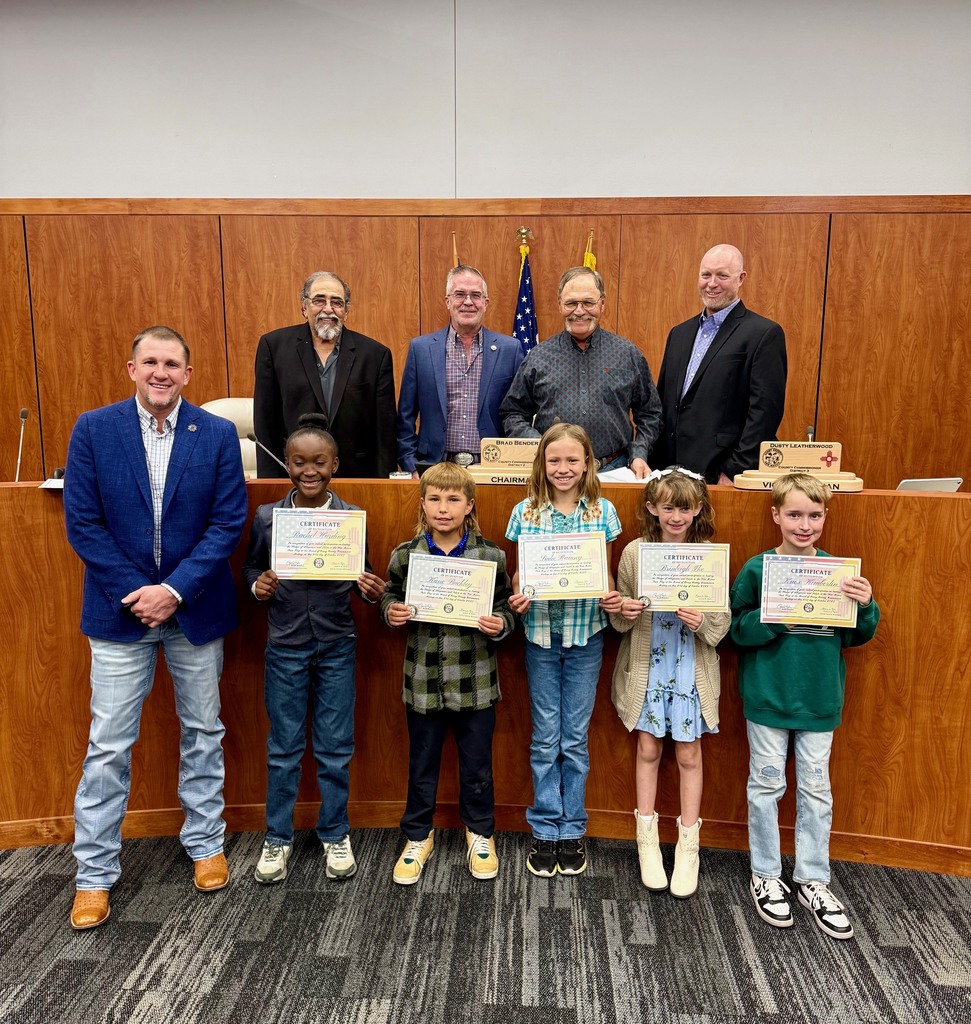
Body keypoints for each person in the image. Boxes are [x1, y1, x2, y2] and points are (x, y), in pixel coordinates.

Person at [63, 325, 249, 931]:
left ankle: (206, 845)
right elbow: (83, 524)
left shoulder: (218, 434)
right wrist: (139, 594)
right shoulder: (94, 429)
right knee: (108, 746)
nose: (161, 372)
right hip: (120, 613)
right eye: (151, 362)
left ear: (188, 374)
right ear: (132, 368)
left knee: (203, 730)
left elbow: (227, 524)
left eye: (172, 363)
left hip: (194, 610)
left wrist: (173, 591)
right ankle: (93, 876)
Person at [730, 472, 879, 940]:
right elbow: (737, 632)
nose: (804, 524)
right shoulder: (757, 569)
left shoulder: (840, 570)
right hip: (769, 698)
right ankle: (766, 874)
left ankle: (813, 878)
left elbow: (858, 636)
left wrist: (867, 603)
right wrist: (772, 615)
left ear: (825, 518)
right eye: (794, 514)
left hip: (818, 701)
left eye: (814, 515)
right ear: (776, 515)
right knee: (766, 786)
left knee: (817, 792)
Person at [242, 413, 386, 885]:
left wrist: (370, 589)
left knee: (335, 746)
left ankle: (334, 833)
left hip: (336, 645)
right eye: (299, 462)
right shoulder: (267, 518)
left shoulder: (350, 519)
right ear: (286, 466)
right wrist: (257, 586)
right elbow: (250, 571)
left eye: (319, 462)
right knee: (283, 747)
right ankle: (277, 838)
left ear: (335, 464)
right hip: (284, 645)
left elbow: (362, 579)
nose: (309, 470)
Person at [381, 463, 515, 885]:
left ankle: (479, 833)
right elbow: (388, 593)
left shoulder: (490, 555)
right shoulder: (406, 554)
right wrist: (391, 611)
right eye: (435, 499)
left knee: (477, 765)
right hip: (423, 680)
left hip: (474, 680)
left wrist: (502, 623)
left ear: (469, 505)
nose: (444, 508)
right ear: (422, 503)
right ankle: (418, 836)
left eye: (454, 499)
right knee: (421, 763)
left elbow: (506, 605)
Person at [505, 423, 623, 877]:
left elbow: (605, 578)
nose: (563, 468)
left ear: (588, 464)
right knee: (544, 737)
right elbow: (520, 578)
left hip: (585, 636)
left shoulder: (602, 511)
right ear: (542, 464)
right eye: (555, 460)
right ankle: (545, 827)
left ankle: (572, 827)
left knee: (573, 740)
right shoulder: (526, 512)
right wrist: (518, 597)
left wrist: (610, 598)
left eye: (573, 460)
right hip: (538, 635)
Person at [608, 467, 730, 898]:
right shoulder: (635, 554)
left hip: (689, 667)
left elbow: (721, 624)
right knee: (648, 748)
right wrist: (624, 610)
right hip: (649, 666)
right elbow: (619, 620)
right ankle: (647, 841)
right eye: (667, 508)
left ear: (698, 509)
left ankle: (688, 845)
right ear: (652, 508)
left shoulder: (708, 554)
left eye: (685, 508)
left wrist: (704, 621)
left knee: (690, 754)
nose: (676, 516)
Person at [500, 267, 661, 478]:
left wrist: (639, 454)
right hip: (555, 476)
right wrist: (540, 444)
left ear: (602, 304)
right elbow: (512, 413)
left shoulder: (627, 354)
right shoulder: (538, 357)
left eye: (588, 302)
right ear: (559, 305)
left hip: (613, 471)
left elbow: (650, 413)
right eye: (571, 303)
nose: (579, 311)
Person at [653, 244, 787, 484]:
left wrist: (734, 470)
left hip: (720, 475)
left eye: (722, 276)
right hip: (670, 476)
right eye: (706, 275)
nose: (711, 283)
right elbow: (664, 403)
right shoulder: (679, 334)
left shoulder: (763, 334)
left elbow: (764, 413)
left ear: (740, 278)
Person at [253, 271, 397, 479]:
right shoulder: (273, 348)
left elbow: (385, 434)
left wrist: (383, 486)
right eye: (319, 300)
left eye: (337, 302)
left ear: (346, 311)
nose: (328, 309)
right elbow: (265, 423)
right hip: (294, 478)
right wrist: (269, 483)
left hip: (356, 477)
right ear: (304, 307)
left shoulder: (375, 355)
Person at [396, 264, 524, 477]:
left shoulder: (510, 349)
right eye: (460, 294)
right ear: (448, 301)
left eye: (475, 295)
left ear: (486, 303)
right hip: (434, 469)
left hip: (492, 468)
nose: (468, 302)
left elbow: (520, 412)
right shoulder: (421, 349)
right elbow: (406, 417)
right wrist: (411, 465)